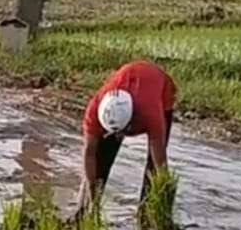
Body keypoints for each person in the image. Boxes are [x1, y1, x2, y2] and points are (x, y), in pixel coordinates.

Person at [75, 60, 176, 221]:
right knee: (100, 160)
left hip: (159, 89)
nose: (119, 137)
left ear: (133, 119)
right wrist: (92, 196)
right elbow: (88, 155)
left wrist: (164, 196)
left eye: (122, 132)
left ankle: (149, 216)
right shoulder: (94, 112)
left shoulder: (151, 114)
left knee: (154, 171)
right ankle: (84, 214)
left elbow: (160, 162)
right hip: (128, 82)